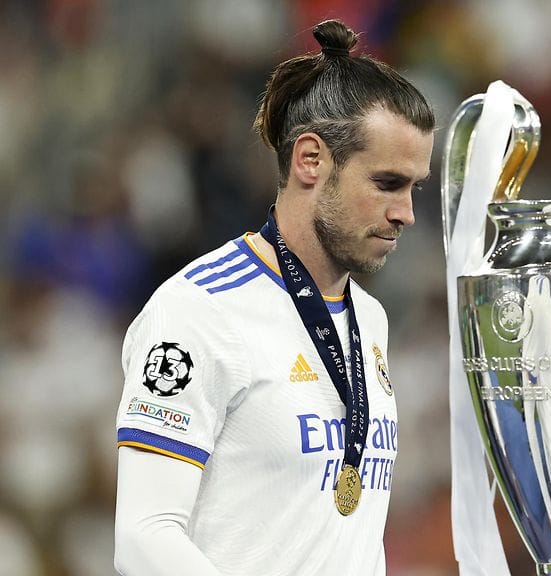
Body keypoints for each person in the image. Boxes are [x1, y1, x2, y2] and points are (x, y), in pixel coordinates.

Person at [113, 20, 434, 575]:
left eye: (414, 188)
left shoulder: (371, 318)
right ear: (311, 159)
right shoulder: (199, 311)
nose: (405, 212)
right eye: (387, 183)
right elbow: (143, 538)